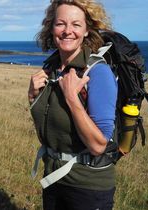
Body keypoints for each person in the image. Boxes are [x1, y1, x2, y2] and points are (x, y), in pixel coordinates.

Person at [28, 0, 117, 209]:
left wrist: (71, 98)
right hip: (53, 177)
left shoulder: (97, 73)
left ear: (87, 30)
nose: (68, 31)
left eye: (76, 25)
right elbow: (48, 131)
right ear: (51, 28)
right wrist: (33, 97)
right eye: (61, 24)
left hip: (88, 187)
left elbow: (98, 145)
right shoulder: (52, 69)